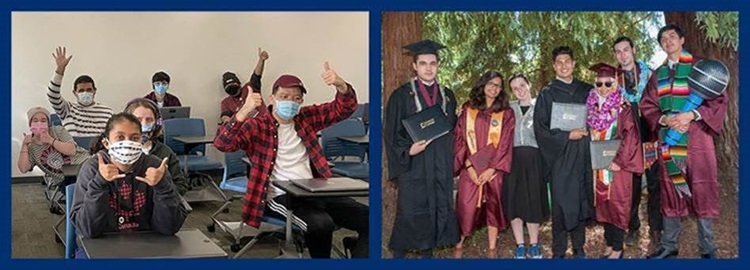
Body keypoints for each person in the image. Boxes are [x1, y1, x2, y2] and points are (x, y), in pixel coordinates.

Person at [213, 64, 369, 258]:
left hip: (316, 190)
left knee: (370, 218)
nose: (290, 102)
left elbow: (343, 109)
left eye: (296, 98)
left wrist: (341, 85)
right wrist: (243, 112)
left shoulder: (306, 117)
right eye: (284, 97)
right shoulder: (257, 125)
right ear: (272, 99)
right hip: (281, 195)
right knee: (321, 224)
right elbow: (222, 144)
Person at [642, 24, 728, 259]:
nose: (668, 41)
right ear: (661, 45)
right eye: (663, 38)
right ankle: (670, 246)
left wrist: (692, 115)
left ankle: (708, 249)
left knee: (703, 189)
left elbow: (719, 98)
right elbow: (647, 106)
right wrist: (665, 119)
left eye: (672, 36)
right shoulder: (657, 75)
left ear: (682, 40)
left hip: (698, 141)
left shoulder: (701, 67)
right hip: (670, 141)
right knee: (671, 190)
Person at [70, 113, 187, 258]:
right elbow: (88, 230)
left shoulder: (155, 166)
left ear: (141, 141)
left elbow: (169, 228)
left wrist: (162, 186)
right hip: (102, 246)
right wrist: (99, 183)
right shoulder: (92, 168)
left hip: (148, 246)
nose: (128, 143)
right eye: (120, 137)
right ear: (107, 143)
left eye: (134, 138)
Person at [384, 39, 459, 258]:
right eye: (423, 63)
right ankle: (399, 255)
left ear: (438, 65)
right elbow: (391, 132)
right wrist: (408, 150)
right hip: (414, 164)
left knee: (436, 208)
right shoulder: (401, 95)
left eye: (433, 63)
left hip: (439, 164)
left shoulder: (448, 96)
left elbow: (451, 129)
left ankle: (428, 255)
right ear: (414, 66)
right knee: (410, 210)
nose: (428, 68)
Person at [533, 46, 594, 259]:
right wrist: (567, 136)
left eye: (567, 61)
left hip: (583, 153)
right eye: (559, 62)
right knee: (560, 201)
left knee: (580, 198)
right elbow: (540, 128)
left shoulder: (587, 90)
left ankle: (579, 247)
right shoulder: (547, 93)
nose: (563, 65)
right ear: (553, 66)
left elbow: (597, 117)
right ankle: (558, 250)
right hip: (560, 155)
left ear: (574, 63)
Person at [453, 71, 514, 258]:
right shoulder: (468, 109)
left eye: (498, 85)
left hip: (494, 170)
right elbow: (460, 139)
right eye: (491, 83)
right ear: (483, 84)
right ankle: (458, 244)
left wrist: (492, 169)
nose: (494, 88)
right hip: (469, 168)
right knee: (465, 204)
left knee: (494, 204)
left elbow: (505, 143)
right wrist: (469, 167)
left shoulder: (506, 113)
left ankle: (492, 248)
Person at [586, 63, 643, 259]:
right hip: (599, 165)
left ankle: (618, 248)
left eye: (607, 83)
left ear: (615, 83)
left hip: (618, 167)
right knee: (604, 203)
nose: (603, 87)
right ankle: (610, 243)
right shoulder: (591, 107)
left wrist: (618, 161)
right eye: (599, 83)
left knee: (617, 203)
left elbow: (631, 137)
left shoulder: (623, 107)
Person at [612, 36, 663, 246]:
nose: (623, 54)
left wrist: (660, 133)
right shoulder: (613, 80)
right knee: (631, 187)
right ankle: (633, 227)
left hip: (650, 138)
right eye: (618, 51)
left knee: (654, 185)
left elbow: (661, 105)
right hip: (629, 142)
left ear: (633, 49)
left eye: (626, 49)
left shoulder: (649, 74)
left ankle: (656, 229)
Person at [504, 74, 549, 259]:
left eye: (522, 85)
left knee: (532, 201)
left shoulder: (541, 106)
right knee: (515, 201)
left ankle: (534, 243)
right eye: (515, 88)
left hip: (534, 159)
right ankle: (520, 245)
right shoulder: (508, 109)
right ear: (511, 91)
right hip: (513, 160)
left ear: (529, 84)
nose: (520, 89)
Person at [17, 107, 89, 204]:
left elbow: (71, 151)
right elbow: (23, 168)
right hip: (66, 179)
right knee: (83, 192)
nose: (39, 123)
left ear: (48, 123)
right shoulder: (31, 147)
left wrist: (50, 140)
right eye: (35, 120)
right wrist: (24, 145)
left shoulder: (57, 131)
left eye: (43, 120)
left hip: (84, 165)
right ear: (30, 124)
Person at [123, 98, 189, 196]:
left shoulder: (165, 152)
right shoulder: (118, 151)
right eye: (138, 120)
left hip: (157, 205)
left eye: (149, 120)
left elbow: (181, 186)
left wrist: (163, 183)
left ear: (157, 123)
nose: (144, 124)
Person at [46, 46, 114, 137]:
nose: (85, 93)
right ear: (75, 93)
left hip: (99, 150)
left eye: (89, 90)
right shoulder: (67, 109)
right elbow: (52, 95)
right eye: (81, 90)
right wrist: (60, 69)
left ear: (95, 91)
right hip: (74, 150)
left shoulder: (107, 112)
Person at [220, 48, 270, 123]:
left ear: (239, 84)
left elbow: (256, 75)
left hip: (263, 123)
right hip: (245, 129)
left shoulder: (249, 87)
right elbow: (225, 114)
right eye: (229, 89)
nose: (233, 90)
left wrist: (261, 60)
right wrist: (226, 120)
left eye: (234, 87)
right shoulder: (226, 102)